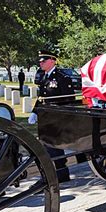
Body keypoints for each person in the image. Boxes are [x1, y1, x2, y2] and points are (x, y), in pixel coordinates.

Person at [28, 49, 75, 183]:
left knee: (53, 147)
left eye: (44, 60)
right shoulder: (44, 77)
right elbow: (42, 97)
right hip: (45, 117)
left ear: (53, 60)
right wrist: (34, 111)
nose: (41, 63)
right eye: (40, 61)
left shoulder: (62, 77)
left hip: (57, 118)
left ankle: (60, 173)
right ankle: (58, 173)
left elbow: (68, 100)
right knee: (47, 146)